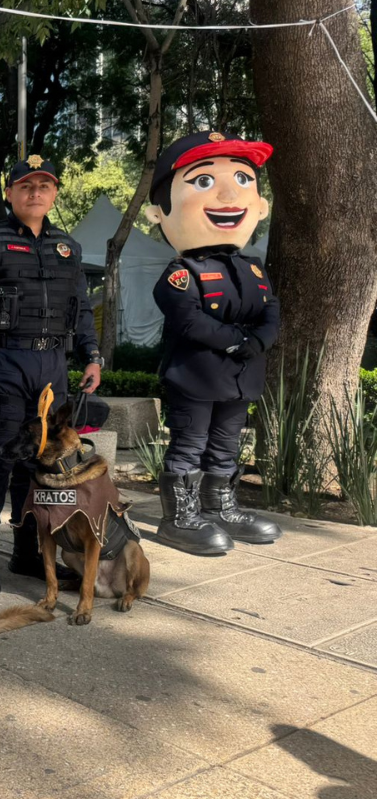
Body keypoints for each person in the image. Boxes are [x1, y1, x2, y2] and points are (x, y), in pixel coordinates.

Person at [0, 156, 103, 593]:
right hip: (5, 363)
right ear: (10, 193)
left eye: (44, 186)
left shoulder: (68, 247)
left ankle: (28, 552)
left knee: (39, 464)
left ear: (53, 194)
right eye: (26, 186)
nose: (35, 193)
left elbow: (82, 309)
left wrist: (92, 356)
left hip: (52, 367)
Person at [145, 130, 282, 555]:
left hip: (240, 377)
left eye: (242, 180)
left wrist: (258, 342)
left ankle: (220, 504)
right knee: (190, 443)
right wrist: (239, 342)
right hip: (197, 375)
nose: (228, 193)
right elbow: (188, 321)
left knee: (227, 441)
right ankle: (179, 517)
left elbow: (270, 309)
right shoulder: (182, 270)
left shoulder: (251, 267)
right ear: (160, 212)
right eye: (203, 181)